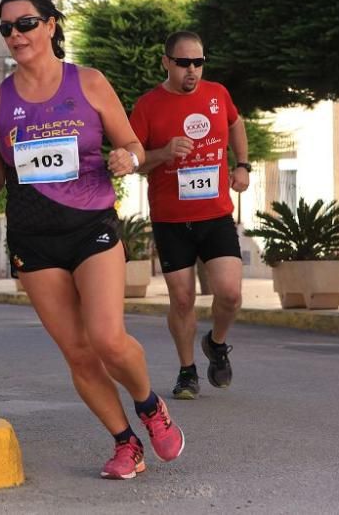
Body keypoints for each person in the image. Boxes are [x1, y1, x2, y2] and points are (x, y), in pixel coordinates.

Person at [0, 0, 184, 480]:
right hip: (33, 240)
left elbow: (131, 145)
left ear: (50, 25)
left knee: (108, 339)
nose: (16, 35)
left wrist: (126, 158)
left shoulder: (87, 82)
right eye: (6, 28)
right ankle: (125, 442)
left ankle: (150, 406)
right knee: (79, 353)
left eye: (25, 23)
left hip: (91, 227)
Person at [129, 30, 250, 401]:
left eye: (198, 62)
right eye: (183, 63)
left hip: (215, 214)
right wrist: (163, 153)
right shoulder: (147, 106)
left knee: (229, 294)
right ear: (166, 62)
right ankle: (187, 371)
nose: (192, 70)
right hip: (170, 219)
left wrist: (242, 164)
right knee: (182, 300)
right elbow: (134, 161)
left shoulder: (217, 94)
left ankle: (216, 343)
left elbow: (235, 123)